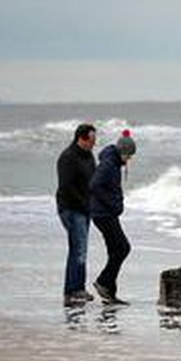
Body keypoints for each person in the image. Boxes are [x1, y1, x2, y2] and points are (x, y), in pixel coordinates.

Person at [89, 129, 136, 305]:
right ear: (122, 152)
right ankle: (102, 281)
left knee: (115, 251)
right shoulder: (109, 164)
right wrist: (112, 204)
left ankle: (109, 293)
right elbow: (94, 185)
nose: (129, 159)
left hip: (105, 213)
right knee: (123, 248)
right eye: (129, 155)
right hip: (103, 214)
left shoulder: (113, 162)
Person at [56, 123, 97, 306]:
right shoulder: (67, 157)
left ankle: (76, 289)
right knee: (78, 250)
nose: (93, 144)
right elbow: (67, 187)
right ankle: (73, 290)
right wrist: (84, 206)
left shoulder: (88, 156)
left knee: (80, 250)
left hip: (85, 209)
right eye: (91, 140)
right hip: (71, 209)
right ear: (81, 138)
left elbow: (93, 180)